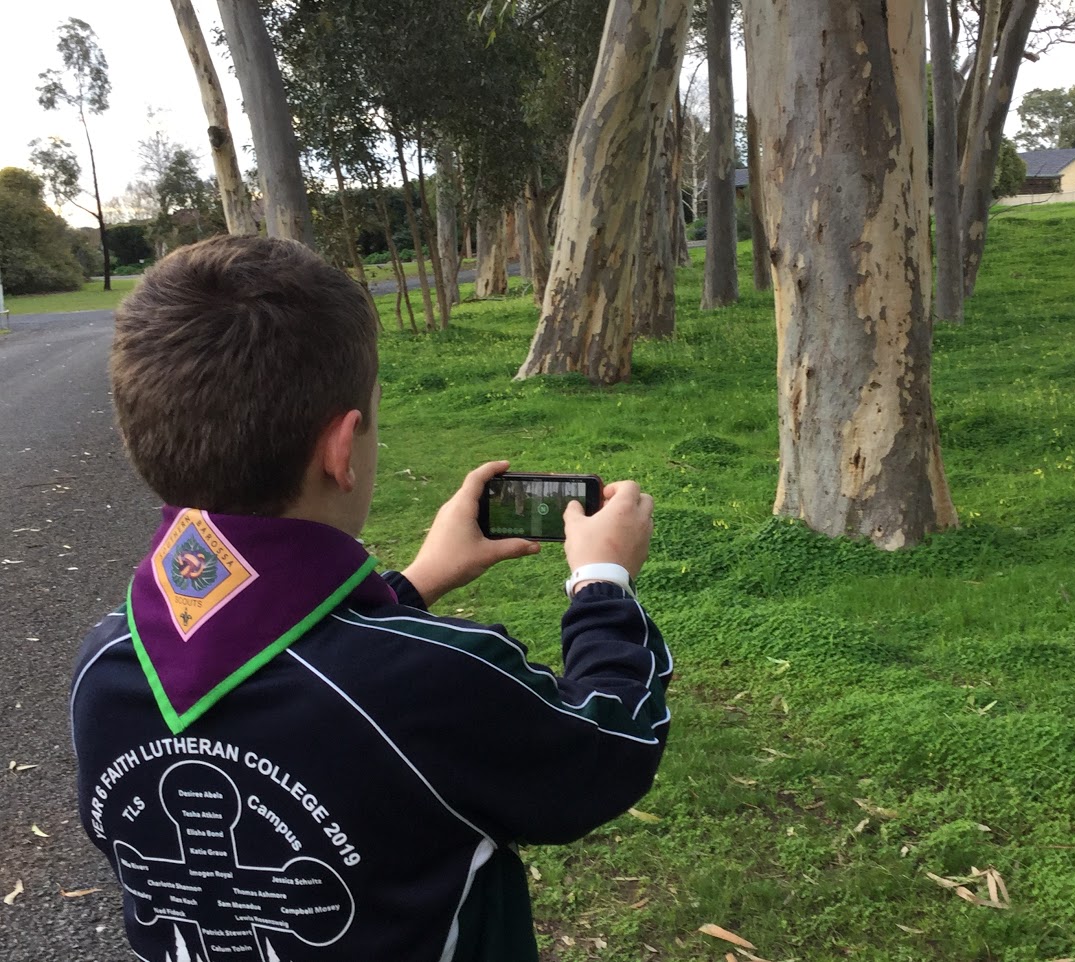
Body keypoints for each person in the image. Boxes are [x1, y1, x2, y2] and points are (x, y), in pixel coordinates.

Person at [70, 235, 670, 962]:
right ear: (342, 449)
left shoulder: (103, 667)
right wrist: (602, 582)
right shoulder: (435, 680)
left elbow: (294, 672)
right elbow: (605, 750)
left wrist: (414, 583)